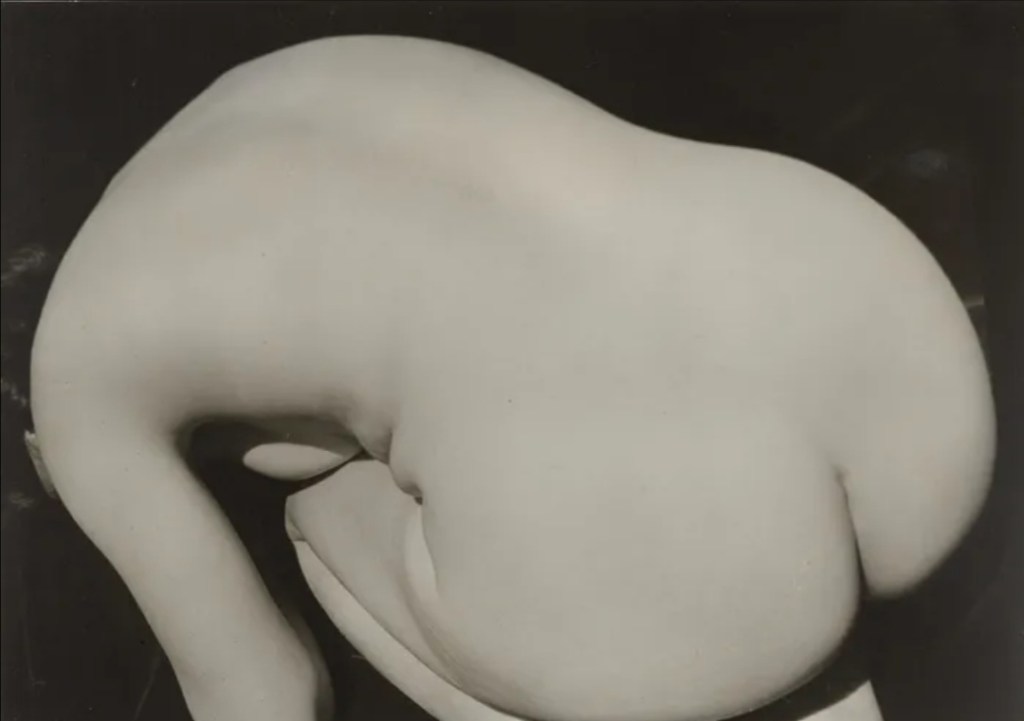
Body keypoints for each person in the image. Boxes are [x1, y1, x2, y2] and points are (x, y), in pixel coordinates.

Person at [27, 36, 994, 721]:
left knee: (314, 510)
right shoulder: (257, 91)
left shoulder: (77, 394)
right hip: (882, 330)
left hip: (684, 586)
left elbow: (267, 696)